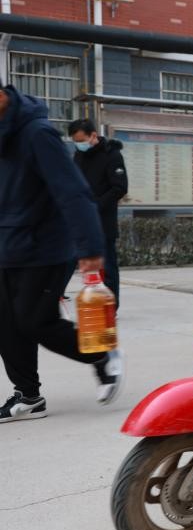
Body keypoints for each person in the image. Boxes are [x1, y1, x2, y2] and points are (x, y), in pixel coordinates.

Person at [0, 84, 123, 423]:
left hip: (45, 247)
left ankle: (101, 354)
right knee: (7, 325)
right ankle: (28, 395)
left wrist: (90, 247)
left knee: (35, 321)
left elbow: (72, 192)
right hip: (8, 246)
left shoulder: (37, 133)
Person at [67, 119, 128, 305]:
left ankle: (111, 306)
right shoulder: (79, 155)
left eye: (81, 140)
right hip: (80, 220)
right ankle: (54, 297)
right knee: (68, 260)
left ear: (93, 135)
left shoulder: (112, 155)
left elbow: (119, 188)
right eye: (75, 141)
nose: (79, 145)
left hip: (103, 220)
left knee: (108, 266)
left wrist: (94, 206)